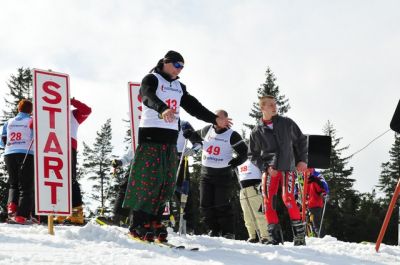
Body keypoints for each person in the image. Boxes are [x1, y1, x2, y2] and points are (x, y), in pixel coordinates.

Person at [122, 50, 232, 242]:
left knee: (165, 182)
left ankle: (155, 220)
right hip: (151, 135)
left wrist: (215, 119)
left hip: (171, 139)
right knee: (148, 180)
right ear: (166, 62)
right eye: (177, 65)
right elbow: (146, 96)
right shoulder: (152, 78)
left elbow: (194, 107)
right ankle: (138, 222)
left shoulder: (179, 86)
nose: (179, 70)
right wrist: (162, 108)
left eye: (182, 67)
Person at [249, 95, 308, 246]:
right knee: (268, 202)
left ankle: (300, 238)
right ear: (262, 108)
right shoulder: (257, 131)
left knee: (288, 198)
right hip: (269, 170)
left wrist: (302, 160)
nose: (275, 107)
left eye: (275, 104)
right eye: (270, 105)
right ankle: (275, 239)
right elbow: (252, 154)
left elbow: (301, 140)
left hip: (288, 167)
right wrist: (265, 168)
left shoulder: (287, 123)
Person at [186, 110, 247, 239]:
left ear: (226, 119)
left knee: (221, 203)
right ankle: (214, 229)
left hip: (222, 174)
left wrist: (236, 162)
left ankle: (228, 232)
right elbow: (196, 138)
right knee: (205, 203)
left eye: (220, 117)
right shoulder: (207, 129)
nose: (216, 120)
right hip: (206, 173)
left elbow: (244, 152)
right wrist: (189, 134)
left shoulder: (232, 135)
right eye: (215, 117)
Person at [55, 97, 92, 225]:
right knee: (56, 180)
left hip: (68, 146)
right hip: (52, 147)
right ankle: (61, 212)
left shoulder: (73, 114)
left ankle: (76, 214)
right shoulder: (49, 113)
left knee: (70, 179)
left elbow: (87, 110)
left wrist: (71, 101)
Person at [1, 99, 35, 224]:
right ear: (30, 110)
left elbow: (2, 140)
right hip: (27, 152)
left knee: (13, 183)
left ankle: (12, 207)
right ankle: (22, 215)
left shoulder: (8, 122)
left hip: (9, 153)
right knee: (26, 186)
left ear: (18, 109)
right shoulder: (32, 120)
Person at [236, 158, 270, 243]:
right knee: (247, 215)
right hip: (243, 190)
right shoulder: (240, 161)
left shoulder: (255, 158)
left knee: (258, 213)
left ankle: (265, 236)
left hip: (254, 188)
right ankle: (252, 235)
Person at [306, 168, 329, 237]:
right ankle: (314, 236)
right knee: (311, 221)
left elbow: (321, 189)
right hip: (310, 205)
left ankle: (320, 237)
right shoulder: (307, 182)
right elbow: (306, 193)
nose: (306, 175)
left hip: (315, 205)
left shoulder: (315, 181)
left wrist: (324, 194)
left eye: (308, 173)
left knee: (316, 222)